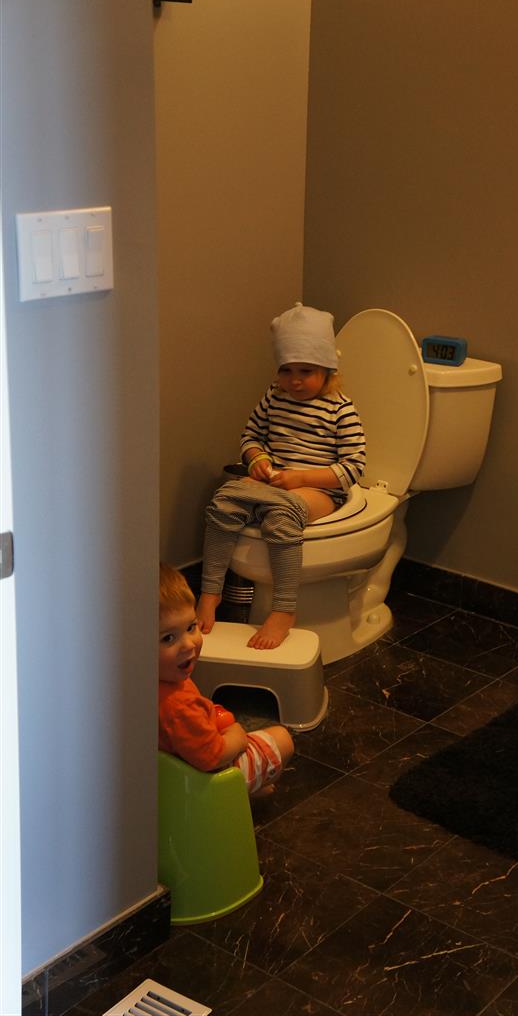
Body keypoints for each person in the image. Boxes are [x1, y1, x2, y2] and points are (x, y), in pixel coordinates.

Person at [196, 302, 366, 649]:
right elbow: (250, 435)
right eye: (286, 370)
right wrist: (256, 458)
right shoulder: (275, 398)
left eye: (306, 370)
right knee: (223, 502)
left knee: (280, 518)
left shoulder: (341, 409)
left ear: (328, 369)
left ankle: (284, 610)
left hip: (319, 490)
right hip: (273, 481)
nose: (295, 380)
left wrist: (301, 479)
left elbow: (353, 467)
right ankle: (210, 592)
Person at [158, 563, 294, 796]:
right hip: (204, 781)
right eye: (168, 638)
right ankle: (238, 794)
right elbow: (212, 756)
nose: (188, 644)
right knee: (281, 739)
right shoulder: (178, 706)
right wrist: (237, 737)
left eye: (191, 627)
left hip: (172, 770)